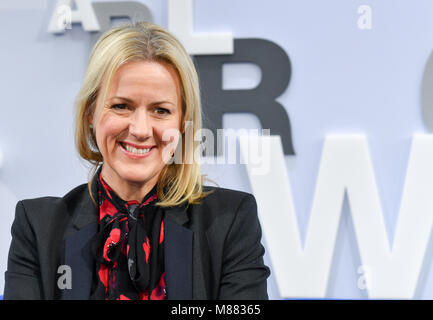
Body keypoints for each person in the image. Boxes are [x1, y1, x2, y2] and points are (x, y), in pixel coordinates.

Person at [3, 22, 270, 300]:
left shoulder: (230, 220)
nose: (141, 130)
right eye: (121, 106)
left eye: (160, 110)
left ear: (182, 123)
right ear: (90, 113)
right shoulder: (38, 226)